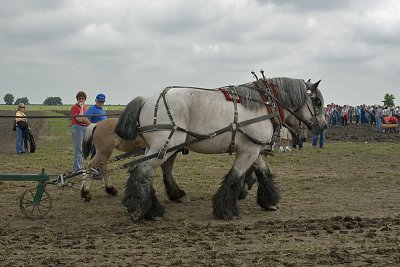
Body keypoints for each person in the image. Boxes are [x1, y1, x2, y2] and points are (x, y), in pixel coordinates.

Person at [70, 91, 91, 172]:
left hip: (84, 128)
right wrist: (81, 107)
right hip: (77, 128)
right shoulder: (74, 107)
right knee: (78, 149)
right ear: (77, 99)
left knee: (82, 148)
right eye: (79, 98)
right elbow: (79, 118)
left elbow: (85, 119)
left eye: (83, 98)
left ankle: (80, 166)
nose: (81, 100)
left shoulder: (85, 107)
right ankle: (77, 168)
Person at [85, 93, 108, 157]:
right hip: (96, 133)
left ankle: (98, 166)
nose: (100, 103)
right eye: (99, 101)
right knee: (95, 151)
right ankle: (93, 166)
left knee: (101, 151)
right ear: (96, 100)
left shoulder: (102, 110)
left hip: (103, 134)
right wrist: (91, 125)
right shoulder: (92, 109)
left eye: (102, 102)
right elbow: (84, 117)